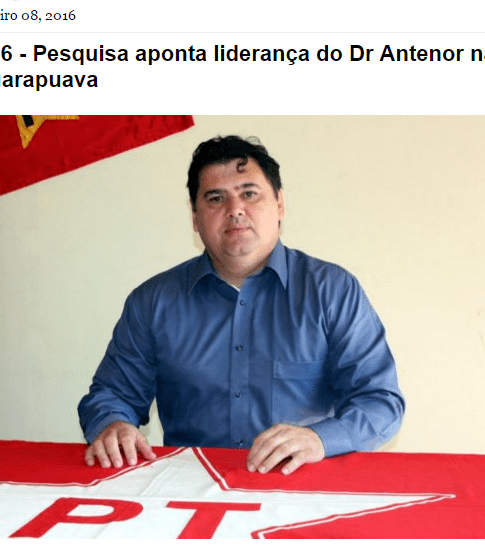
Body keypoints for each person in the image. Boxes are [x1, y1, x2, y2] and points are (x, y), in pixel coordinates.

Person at [78, 135, 404, 475]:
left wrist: (319, 439)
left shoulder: (332, 290)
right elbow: (111, 395)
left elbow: (380, 401)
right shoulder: (153, 302)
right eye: (216, 198)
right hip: (188, 483)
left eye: (249, 194)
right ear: (195, 217)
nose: (234, 210)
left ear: (279, 204)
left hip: (302, 483)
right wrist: (112, 425)